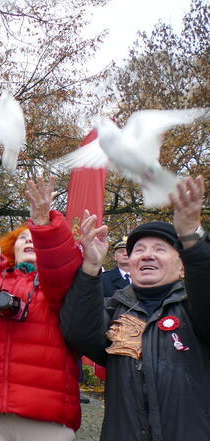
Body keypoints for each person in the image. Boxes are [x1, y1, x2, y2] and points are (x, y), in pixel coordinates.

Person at [61, 176, 209, 440]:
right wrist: (91, 267)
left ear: (182, 265)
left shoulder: (194, 309)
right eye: (138, 250)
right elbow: (78, 331)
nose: (146, 254)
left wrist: (192, 239)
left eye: (160, 249)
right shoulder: (116, 309)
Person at [0, 177, 81, 441]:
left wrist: (43, 224)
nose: (29, 240)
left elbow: (61, 266)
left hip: (45, 414)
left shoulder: (58, 284)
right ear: (11, 246)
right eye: (22, 238)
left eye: (35, 237)